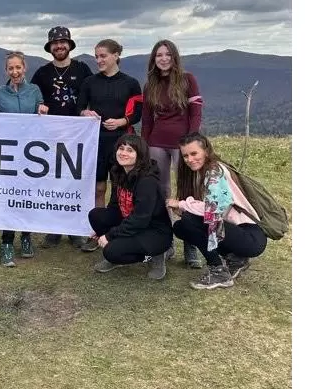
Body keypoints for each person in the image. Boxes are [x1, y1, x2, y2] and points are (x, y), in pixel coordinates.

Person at [167, 133, 269, 291]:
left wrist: (182, 204)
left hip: (250, 236)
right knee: (181, 227)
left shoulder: (215, 172)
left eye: (194, 153)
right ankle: (235, 259)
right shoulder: (205, 171)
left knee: (188, 221)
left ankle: (218, 271)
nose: (189, 159)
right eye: (185, 155)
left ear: (206, 151)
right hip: (240, 233)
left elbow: (212, 210)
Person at [0, 51, 47, 266]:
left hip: (31, 155)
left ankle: (26, 237)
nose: (15, 72)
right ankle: (7, 242)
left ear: (24, 68)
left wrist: (43, 110)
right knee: (10, 199)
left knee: (27, 197)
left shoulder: (34, 90)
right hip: (7, 155)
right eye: (11, 68)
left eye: (18, 67)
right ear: (6, 70)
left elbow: (41, 113)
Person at [142, 39, 204, 267]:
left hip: (183, 144)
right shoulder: (150, 85)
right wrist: (143, 146)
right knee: (161, 192)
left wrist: (192, 140)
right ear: (154, 59)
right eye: (159, 55)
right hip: (157, 143)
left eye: (167, 54)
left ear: (174, 56)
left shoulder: (188, 80)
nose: (164, 58)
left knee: (188, 191)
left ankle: (191, 246)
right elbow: (147, 121)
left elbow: (196, 112)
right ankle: (165, 242)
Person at [30, 26, 93, 249]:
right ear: (49, 47)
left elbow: (91, 97)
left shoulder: (83, 69)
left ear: (70, 44)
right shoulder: (42, 73)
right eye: (55, 43)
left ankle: (75, 229)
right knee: (52, 182)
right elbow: (33, 99)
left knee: (75, 182)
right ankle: (54, 230)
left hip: (78, 135)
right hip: (50, 136)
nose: (59, 46)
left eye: (63, 42)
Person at [78, 39, 142, 252]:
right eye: (96, 56)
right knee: (98, 187)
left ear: (116, 56)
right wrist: (85, 113)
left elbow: (137, 113)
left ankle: (118, 231)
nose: (99, 60)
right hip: (95, 141)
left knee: (120, 189)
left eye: (103, 56)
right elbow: (79, 107)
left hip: (121, 142)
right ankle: (98, 230)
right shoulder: (89, 82)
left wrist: (122, 121)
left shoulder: (131, 83)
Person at [87, 134, 171, 280]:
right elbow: (115, 206)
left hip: (154, 231)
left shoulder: (147, 181)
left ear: (140, 155)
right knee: (96, 216)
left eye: (130, 150)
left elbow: (140, 219)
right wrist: (105, 228)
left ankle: (155, 255)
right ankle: (123, 247)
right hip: (132, 223)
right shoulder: (119, 172)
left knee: (111, 252)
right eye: (121, 148)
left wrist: (110, 235)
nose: (124, 153)